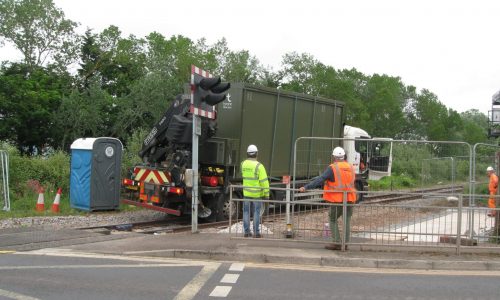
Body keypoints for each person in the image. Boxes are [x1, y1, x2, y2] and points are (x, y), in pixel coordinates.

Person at [299, 147, 356, 250]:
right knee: (346, 221)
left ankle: (336, 242)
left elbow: (320, 179)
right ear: (344, 156)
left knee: (332, 218)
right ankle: (345, 243)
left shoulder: (333, 168)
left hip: (337, 199)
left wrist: (306, 187)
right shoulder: (351, 167)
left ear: (334, 157)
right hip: (350, 198)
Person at [241, 144, 270, 238]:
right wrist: (267, 194)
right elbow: (264, 182)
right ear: (257, 154)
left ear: (247, 154)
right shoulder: (259, 166)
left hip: (246, 193)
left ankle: (246, 232)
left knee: (246, 212)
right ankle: (256, 233)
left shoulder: (243, 164)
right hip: (257, 194)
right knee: (256, 212)